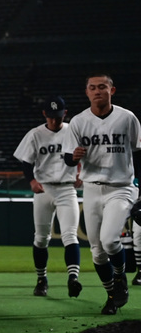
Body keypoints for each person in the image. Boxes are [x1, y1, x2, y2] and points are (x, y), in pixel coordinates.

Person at [61, 74, 141, 315]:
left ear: (112, 90)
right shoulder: (78, 121)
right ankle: (111, 295)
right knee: (96, 251)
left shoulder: (127, 118)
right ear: (87, 93)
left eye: (102, 87)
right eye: (92, 88)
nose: (97, 91)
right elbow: (67, 157)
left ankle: (120, 278)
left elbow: (139, 152)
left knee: (109, 240)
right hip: (92, 188)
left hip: (121, 187)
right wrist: (72, 157)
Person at [13, 96, 83, 298]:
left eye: (58, 116)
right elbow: (26, 161)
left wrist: (81, 173)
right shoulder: (36, 134)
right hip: (44, 189)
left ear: (65, 113)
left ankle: (73, 279)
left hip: (67, 189)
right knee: (41, 238)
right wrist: (31, 181)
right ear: (44, 114)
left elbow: (84, 154)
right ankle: (42, 279)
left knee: (70, 235)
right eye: (51, 116)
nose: (54, 121)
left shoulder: (72, 131)